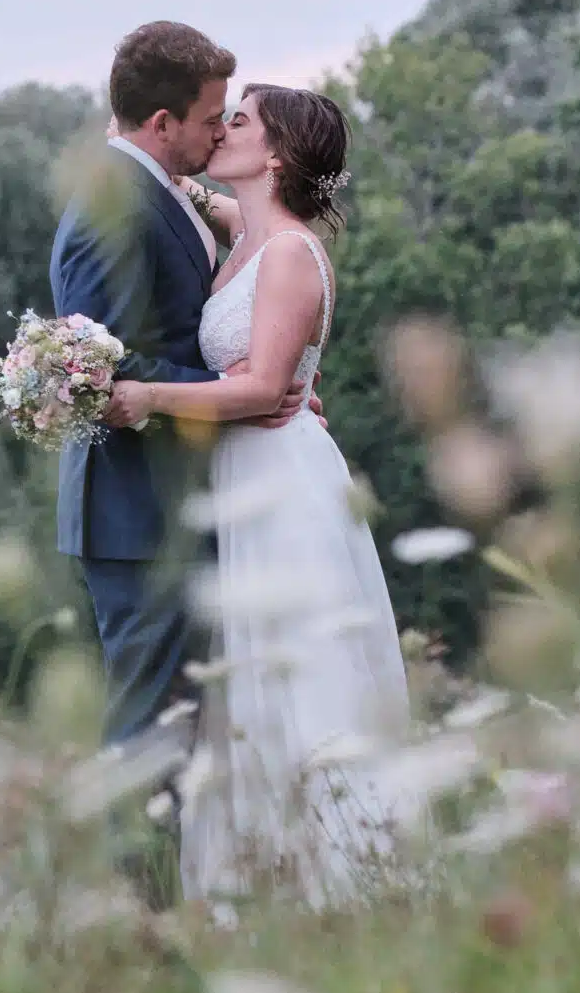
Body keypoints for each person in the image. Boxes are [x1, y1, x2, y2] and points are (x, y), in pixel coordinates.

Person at [105, 84, 412, 908]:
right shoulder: (245, 232)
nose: (222, 128)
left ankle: (344, 888)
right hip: (240, 478)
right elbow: (192, 191)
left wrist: (147, 397)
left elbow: (264, 388)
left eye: (237, 120)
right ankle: (253, 883)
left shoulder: (286, 254)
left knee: (298, 673)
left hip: (281, 483)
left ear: (275, 154)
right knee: (243, 681)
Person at [48, 24, 310, 906]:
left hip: (179, 504)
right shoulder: (109, 206)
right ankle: (133, 920)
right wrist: (236, 387)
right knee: (148, 734)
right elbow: (110, 367)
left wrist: (261, 380)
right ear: (162, 122)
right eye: (206, 118)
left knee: (178, 726)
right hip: (136, 511)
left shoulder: (164, 191)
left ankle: (168, 902)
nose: (216, 131)